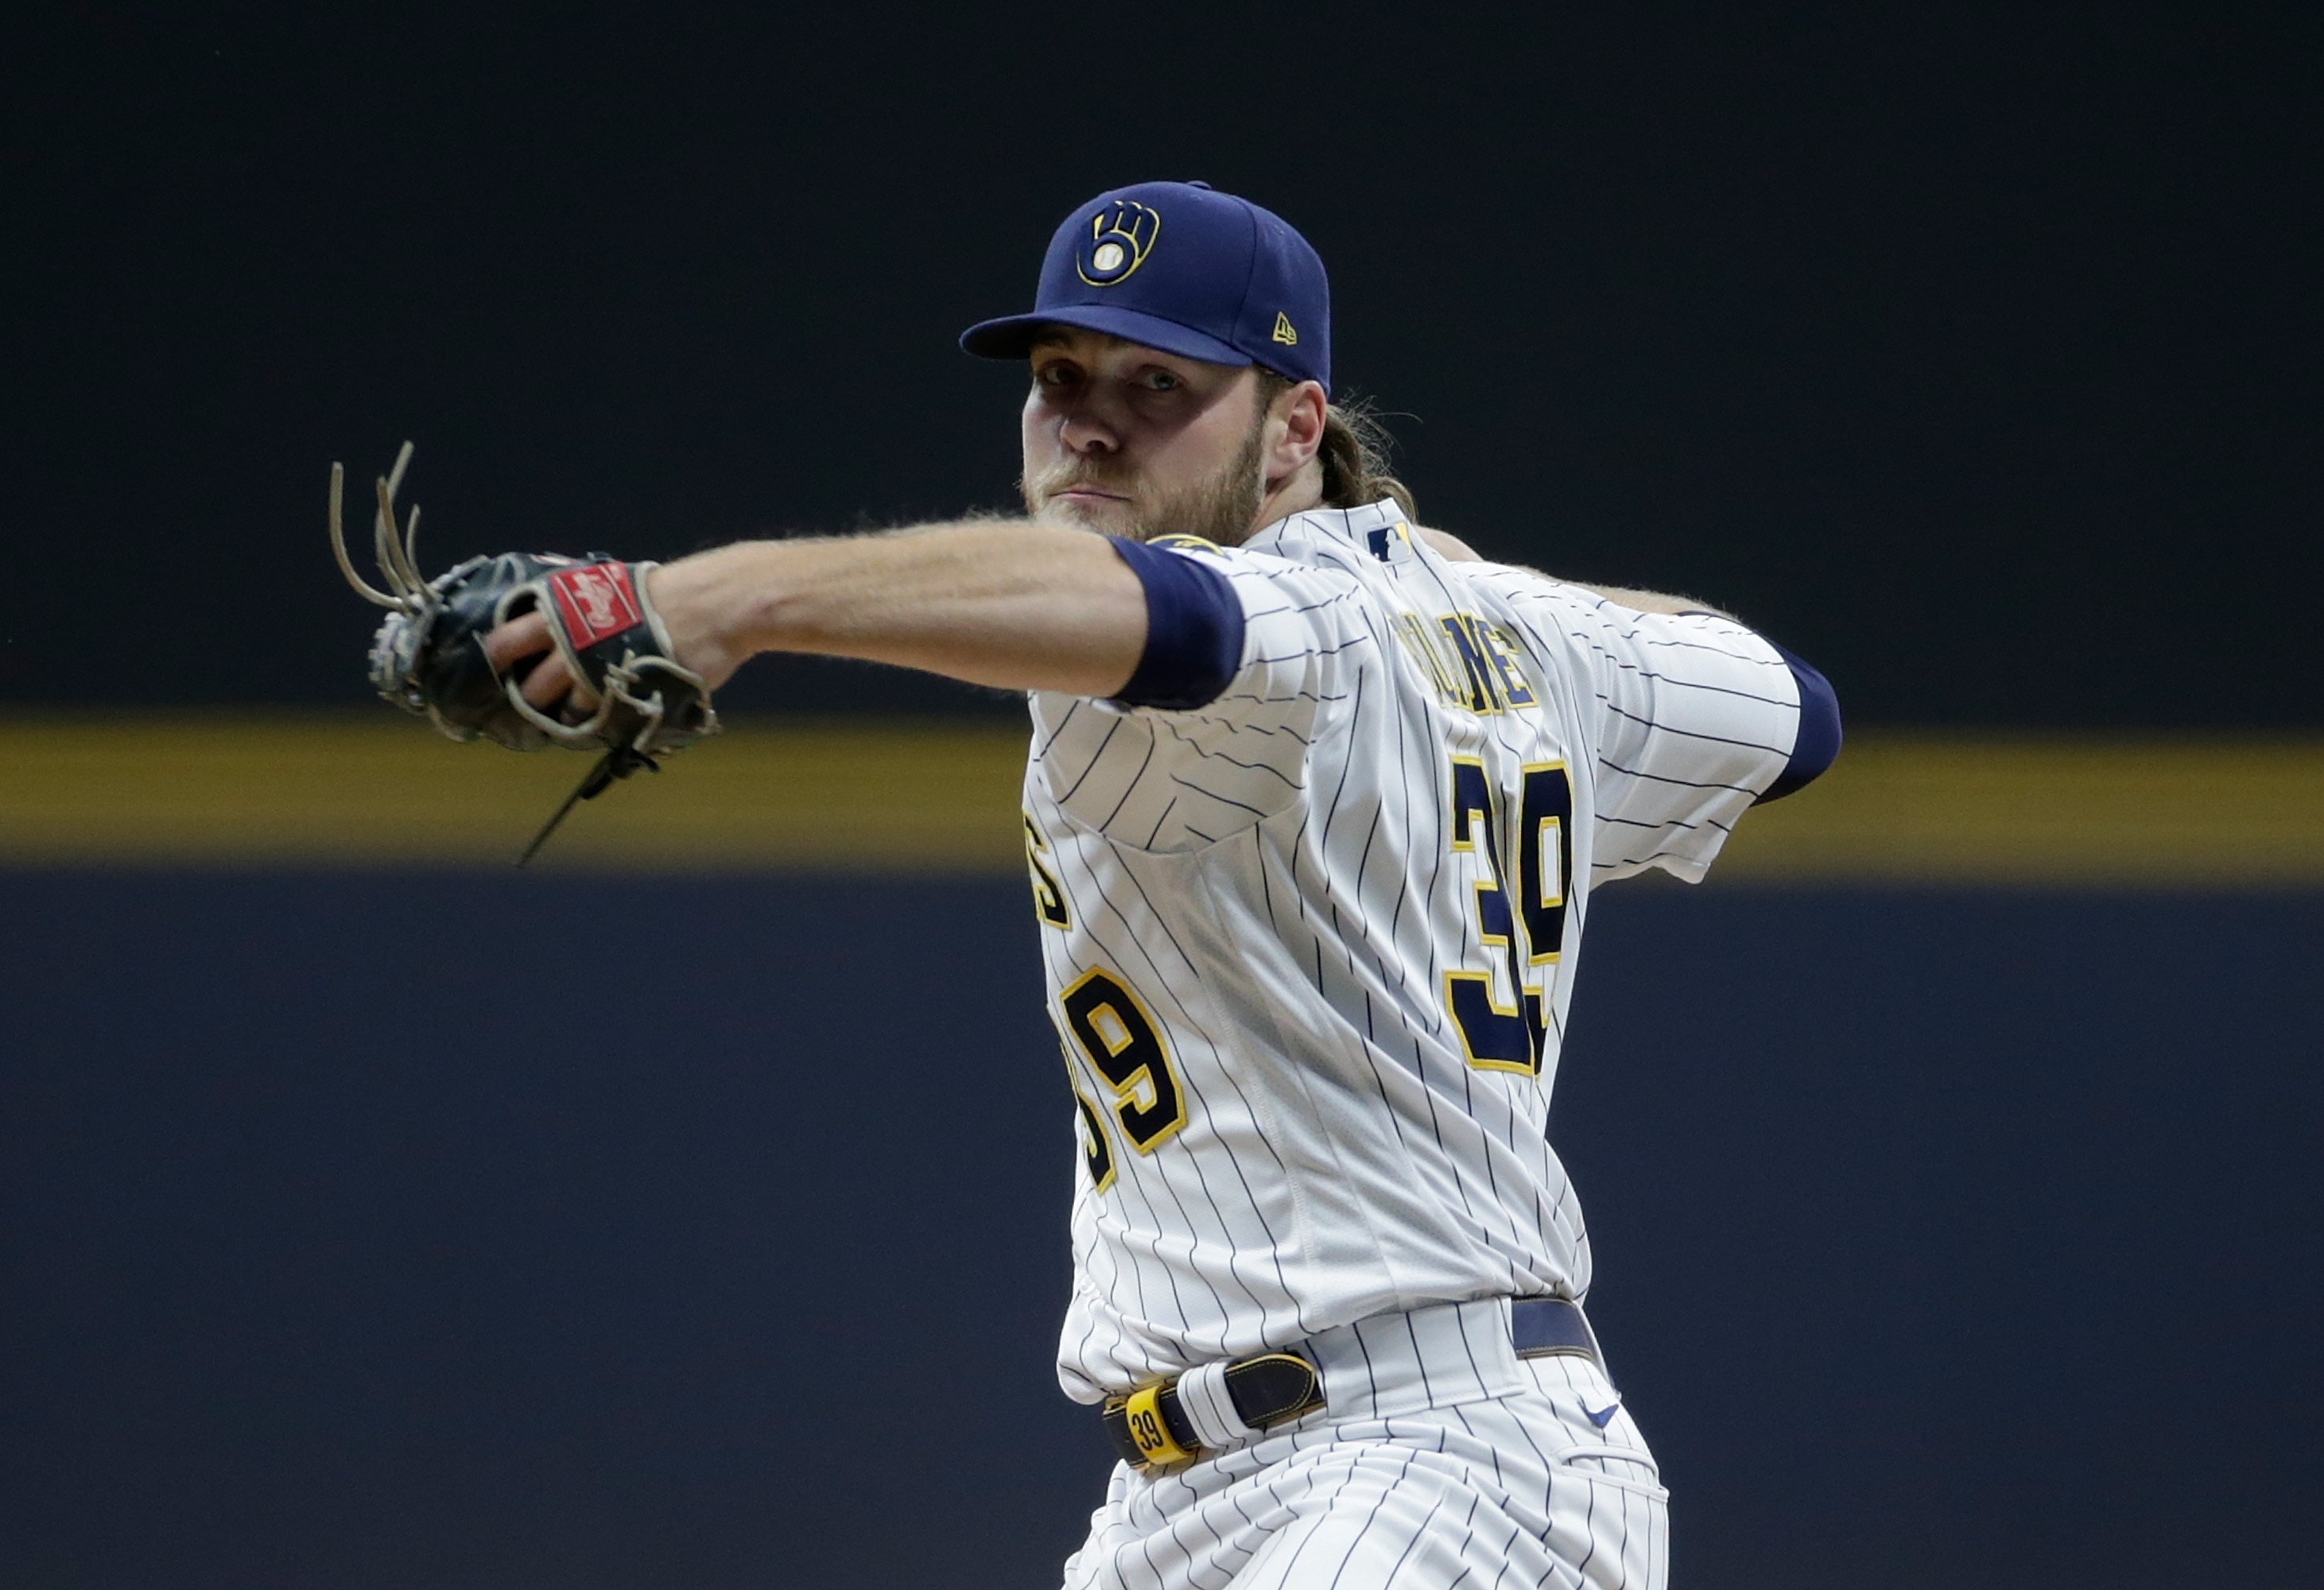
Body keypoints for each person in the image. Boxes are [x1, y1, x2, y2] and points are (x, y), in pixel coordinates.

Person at [489, 180, 1839, 1590]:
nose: (1091, 421)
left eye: (1159, 384)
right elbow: (1794, 712)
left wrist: (721, 598)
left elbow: (1176, 623)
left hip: (1429, 1468)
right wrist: (1493, 598)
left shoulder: (1271, 617)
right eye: (1060, 378)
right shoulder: (1512, 633)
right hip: (1210, 1496)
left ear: (1294, 429)